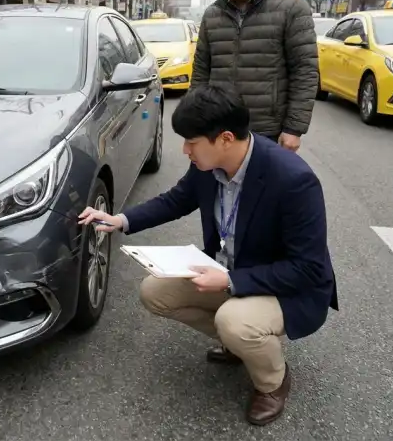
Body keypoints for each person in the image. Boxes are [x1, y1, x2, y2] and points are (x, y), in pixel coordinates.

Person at [78, 85, 338, 426]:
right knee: (154, 292)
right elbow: (176, 200)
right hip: (230, 270)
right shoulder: (206, 166)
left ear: (226, 138)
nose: (184, 150)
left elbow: (308, 268)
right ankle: (242, 343)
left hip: (287, 287)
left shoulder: (293, 181)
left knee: (234, 322)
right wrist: (121, 220)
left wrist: (231, 280)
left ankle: (273, 381)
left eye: (191, 142)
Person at [191, 0, 318, 152]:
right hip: (220, 131)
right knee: (215, 186)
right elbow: (201, 72)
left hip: (267, 131)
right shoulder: (212, 15)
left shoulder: (291, 8)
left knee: (262, 187)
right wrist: (196, 122)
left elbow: (304, 71)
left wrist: (294, 128)